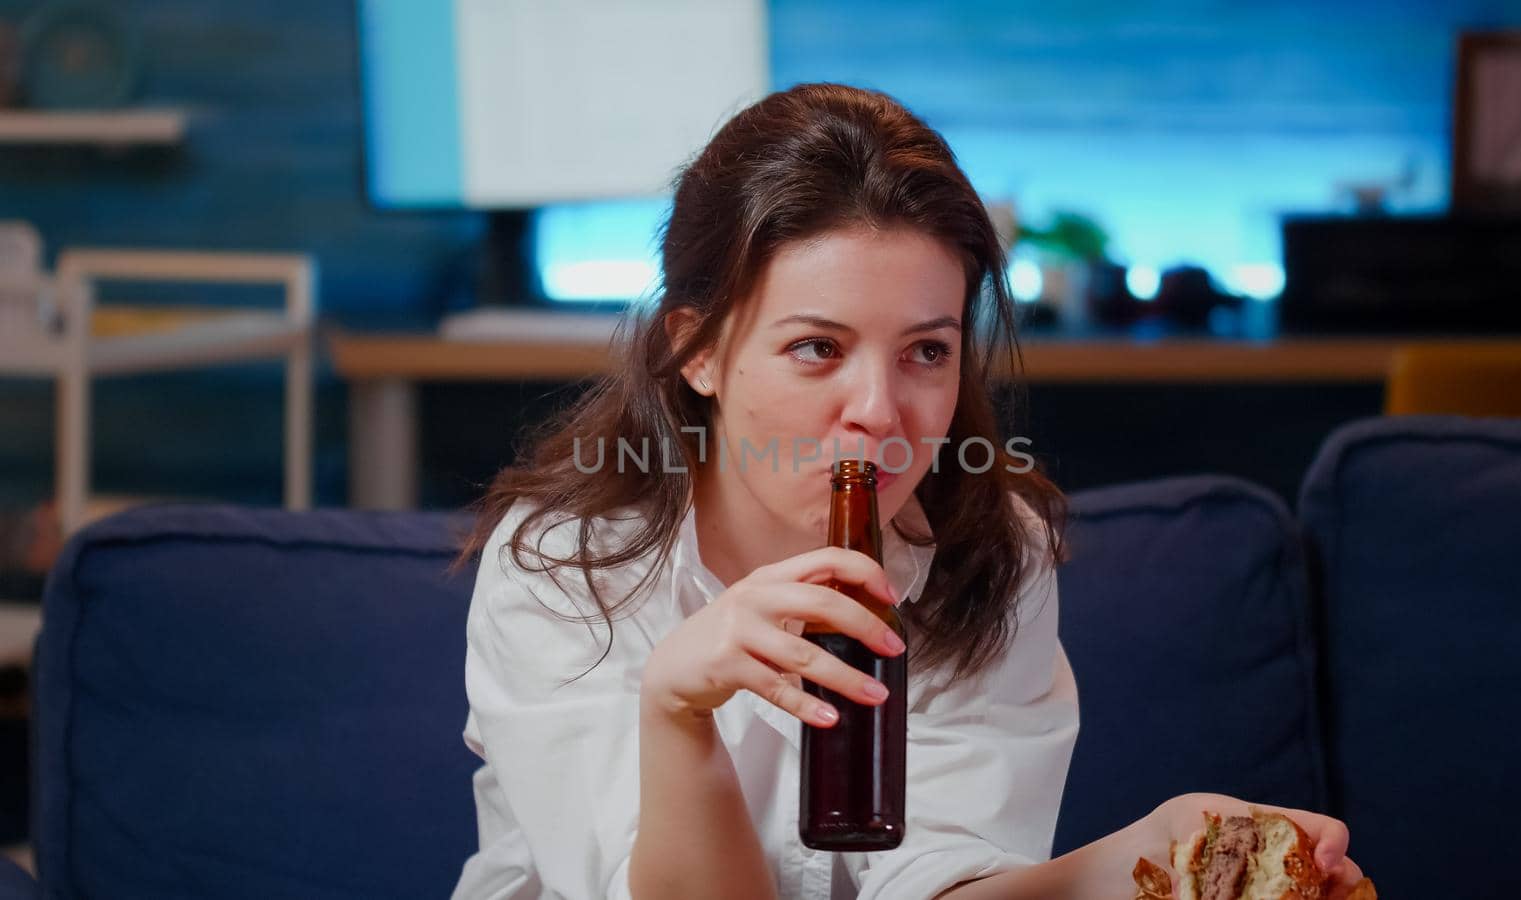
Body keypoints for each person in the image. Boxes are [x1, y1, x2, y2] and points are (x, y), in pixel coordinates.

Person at [449, 83, 1366, 900]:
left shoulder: (995, 555)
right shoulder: (565, 568)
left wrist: (1125, 865)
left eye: (926, 351)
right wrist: (676, 713)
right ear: (699, 350)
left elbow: (933, 881)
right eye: (818, 349)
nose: (881, 414)